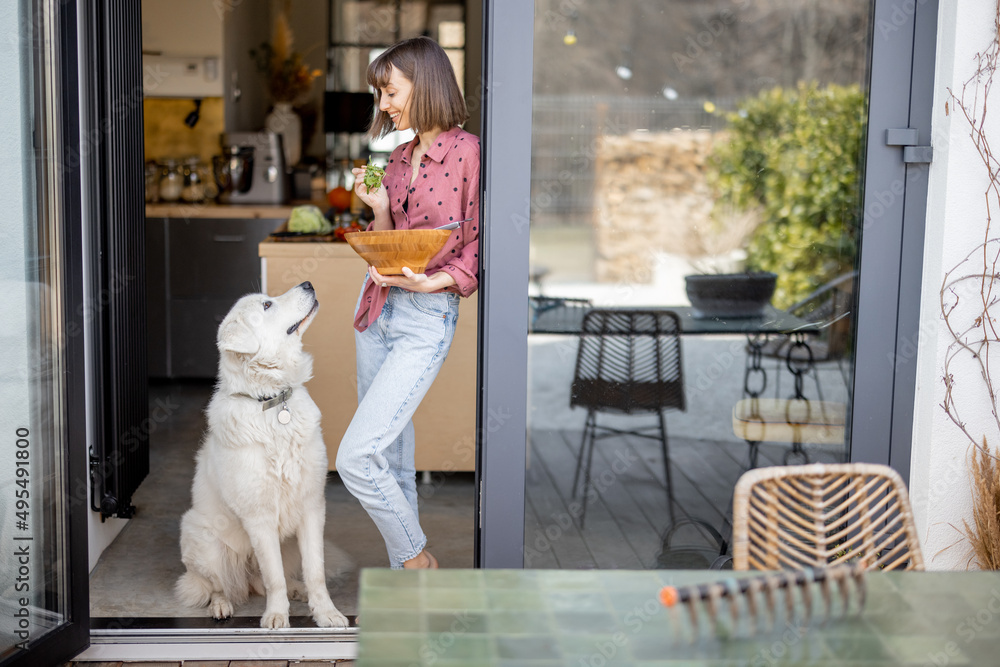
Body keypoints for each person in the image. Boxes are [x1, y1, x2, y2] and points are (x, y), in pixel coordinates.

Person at [336, 36, 479, 570]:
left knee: (356, 457)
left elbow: (479, 243)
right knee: (392, 459)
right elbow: (389, 243)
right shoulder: (396, 157)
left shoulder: (468, 152)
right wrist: (376, 207)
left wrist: (437, 283)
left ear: (426, 84)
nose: (384, 105)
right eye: (381, 94)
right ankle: (408, 582)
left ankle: (417, 560)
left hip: (424, 318)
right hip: (377, 311)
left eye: (390, 91)